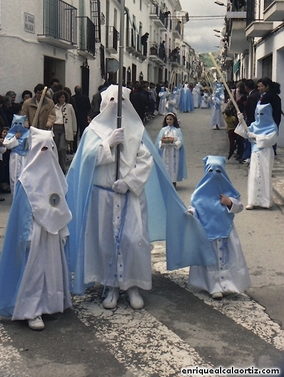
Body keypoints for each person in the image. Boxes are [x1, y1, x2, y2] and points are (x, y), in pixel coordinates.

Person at [66, 85, 215, 310]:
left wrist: (129, 182)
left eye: (121, 101)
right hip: (103, 197)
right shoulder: (92, 131)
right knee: (105, 241)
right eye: (112, 100)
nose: (117, 105)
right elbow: (85, 161)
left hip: (130, 196)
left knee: (134, 240)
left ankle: (132, 285)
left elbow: (146, 161)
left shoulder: (136, 130)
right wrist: (107, 145)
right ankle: (112, 286)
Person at [0, 127, 72, 331]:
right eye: (42, 149)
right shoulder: (26, 179)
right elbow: (22, 211)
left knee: (52, 268)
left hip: (52, 232)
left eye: (50, 148)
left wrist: (62, 228)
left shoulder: (57, 177)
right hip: (35, 233)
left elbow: (60, 203)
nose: (48, 153)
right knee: (34, 270)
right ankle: (31, 309)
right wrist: (27, 234)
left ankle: (51, 304)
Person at [188, 155, 251, 299]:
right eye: (211, 171)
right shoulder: (199, 194)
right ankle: (213, 286)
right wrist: (191, 212)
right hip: (207, 234)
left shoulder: (228, 192)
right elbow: (195, 208)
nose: (214, 176)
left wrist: (229, 202)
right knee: (211, 260)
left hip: (226, 232)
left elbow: (239, 206)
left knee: (227, 258)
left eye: (218, 172)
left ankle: (230, 284)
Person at [238, 103, 278, 210]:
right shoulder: (254, 125)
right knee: (254, 175)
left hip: (266, 152)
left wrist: (256, 136)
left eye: (262, 114)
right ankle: (253, 201)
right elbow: (244, 133)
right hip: (255, 152)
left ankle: (265, 201)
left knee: (265, 175)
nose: (260, 116)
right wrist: (241, 121)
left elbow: (271, 140)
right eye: (258, 114)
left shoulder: (272, 127)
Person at [155, 112, 187, 186]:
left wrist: (174, 143)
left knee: (173, 166)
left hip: (174, 152)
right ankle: (165, 181)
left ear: (174, 120)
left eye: (170, 119)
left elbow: (180, 141)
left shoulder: (177, 130)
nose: (169, 121)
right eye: (167, 119)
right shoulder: (163, 130)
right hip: (165, 151)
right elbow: (159, 140)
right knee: (165, 164)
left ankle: (173, 181)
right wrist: (163, 143)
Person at [3, 114, 29, 194]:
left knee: (24, 177)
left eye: (20, 123)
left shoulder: (28, 134)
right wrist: (15, 138)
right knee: (13, 177)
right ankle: (14, 196)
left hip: (25, 157)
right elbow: (7, 144)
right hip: (14, 157)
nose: (18, 126)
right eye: (16, 123)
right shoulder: (10, 134)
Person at [53, 90, 77, 174]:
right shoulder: (54, 107)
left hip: (64, 129)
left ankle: (63, 168)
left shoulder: (69, 107)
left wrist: (74, 131)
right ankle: (56, 167)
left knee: (62, 148)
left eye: (63, 97)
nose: (61, 99)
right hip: (56, 128)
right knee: (55, 148)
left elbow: (73, 118)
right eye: (60, 97)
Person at [69, 85, 91, 152]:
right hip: (83, 117)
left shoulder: (72, 98)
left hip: (75, 117)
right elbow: (88, 107)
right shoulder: (85, 98)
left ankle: (75, 148)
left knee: (75, 133)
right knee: (83, 133)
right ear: (81, 90)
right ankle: (82, 147)